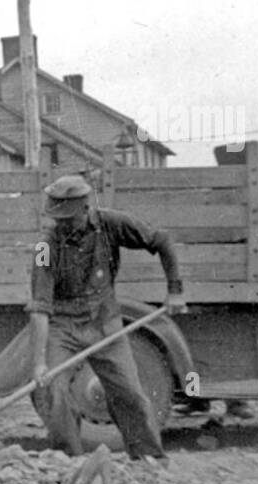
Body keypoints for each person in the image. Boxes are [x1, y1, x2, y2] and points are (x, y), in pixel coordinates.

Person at [27, 174, 187, 461]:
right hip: (63, 327)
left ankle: (148, 459)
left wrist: (175, 290)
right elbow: (40, 308)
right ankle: (70, 461)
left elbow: (160, 240)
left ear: (86, 209)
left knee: (130, 394)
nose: (61, 225)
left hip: (105, 323)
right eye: (57, 219)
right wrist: (39, 363)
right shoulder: (45, 247)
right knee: (52, 391)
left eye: (68, 219)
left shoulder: (113, 224)